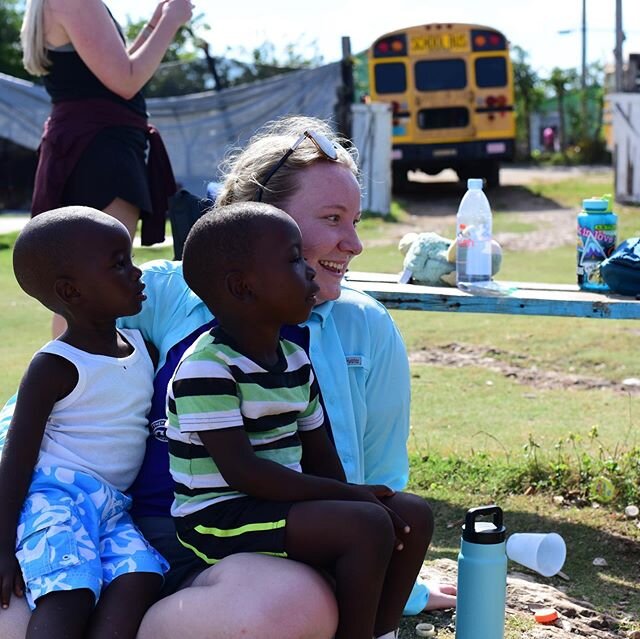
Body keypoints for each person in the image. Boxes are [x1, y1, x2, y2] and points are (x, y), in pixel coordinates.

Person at [0, 115, 455, 639]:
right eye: (332, 218)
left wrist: (402, 582)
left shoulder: (363, 326)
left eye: (354, 220)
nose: (353, 243)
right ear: (260, 220)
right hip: (132, 528)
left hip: (254, 558)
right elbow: (68, 373)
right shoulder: (167, 294)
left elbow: (376, 478)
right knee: (16, 617)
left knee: (290, 607)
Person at [168, 202, 432, 639]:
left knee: (411, 514)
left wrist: (355, 496)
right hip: (218, 519)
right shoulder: (207, 368)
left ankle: (382, 632)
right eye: (293, 259)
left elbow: (322, 457)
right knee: (365, 523)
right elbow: (246, 474)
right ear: (242, 287)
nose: (309, 271)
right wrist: (352, 499)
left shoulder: (294, 359)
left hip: (277, 504)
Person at [0, 207, 168, 638]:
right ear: (70, 291)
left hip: (112, 506)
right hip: (54, 499)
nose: (135, 273)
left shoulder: (140, 344)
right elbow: (16, 461)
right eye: (118, 265)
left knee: (141, 577)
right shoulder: (55, 365)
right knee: (70, 593)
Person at [21, 0, 192, 336]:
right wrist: (172, 22)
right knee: (95, 280)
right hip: (99, 149)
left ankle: (75, 380)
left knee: (85, 280)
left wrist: (154, 26)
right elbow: (126, 81)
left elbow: (117, 67)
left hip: (91, 145)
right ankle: (78, 381)